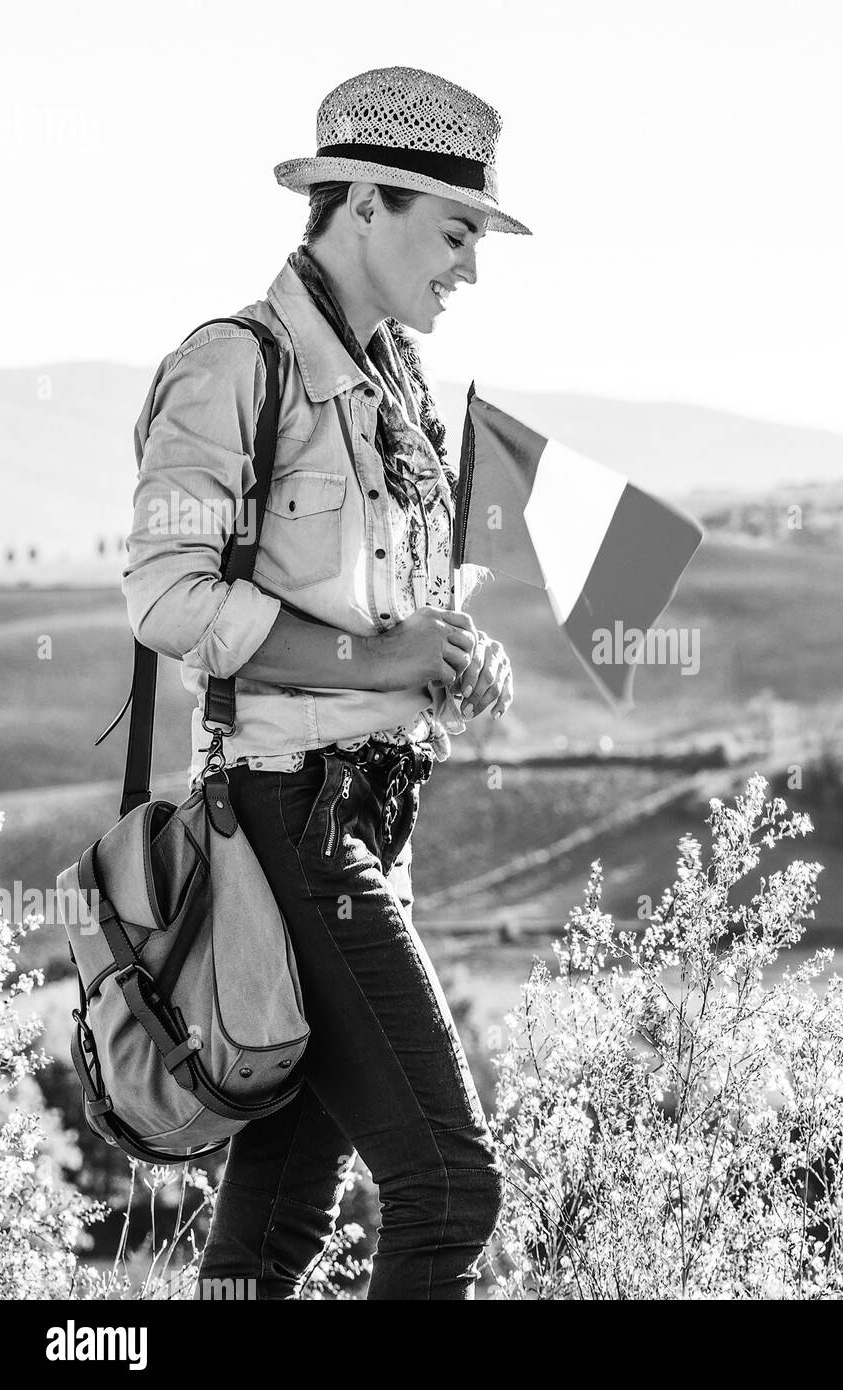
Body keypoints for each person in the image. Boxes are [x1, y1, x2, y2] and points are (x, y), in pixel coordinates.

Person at [121, 66, 530, 1299]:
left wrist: (447, 661)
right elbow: (165, 598)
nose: (469, 266)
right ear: (362, 203)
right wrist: (376, 661)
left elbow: (389, 625)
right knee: (451, 1189)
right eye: (454, 232)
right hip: (288, 823)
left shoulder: (402, 395)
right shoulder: (232, 366)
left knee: (268, 1233)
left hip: (365, 818)